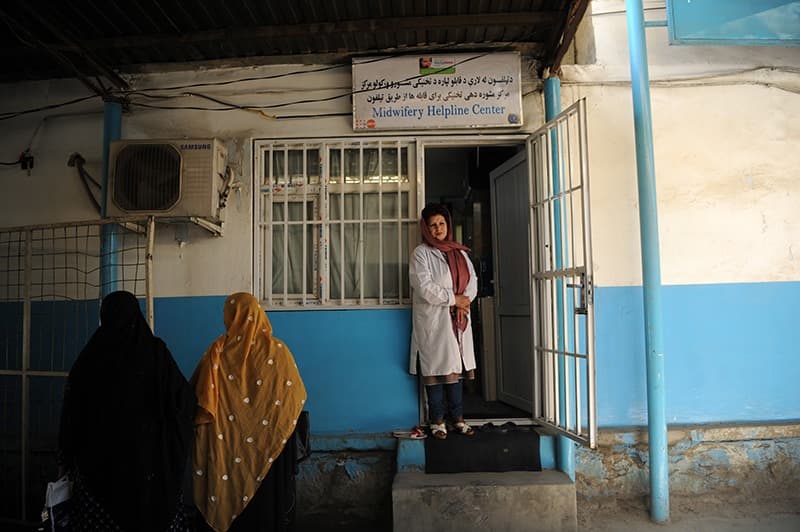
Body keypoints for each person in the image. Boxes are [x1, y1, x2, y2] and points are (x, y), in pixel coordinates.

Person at [58, 290, 196, 531]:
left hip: (100, 469)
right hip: (148, 470)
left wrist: (67, 454)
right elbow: (183, 401)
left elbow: (73, 412)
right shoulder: (155, 353)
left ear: (105, 316)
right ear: (137, 315)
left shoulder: (91, 357)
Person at [192, 292, 307, 532]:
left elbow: (197, 398)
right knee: (266, 510)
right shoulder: (278, 351)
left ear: (230, 317)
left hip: (226, 450)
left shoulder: (215, 353)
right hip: (268, 452)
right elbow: (295, 397)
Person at [409, 204, 478, 440]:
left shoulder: (460, 253)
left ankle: (457, 419)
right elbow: (424, 287)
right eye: (433, 225)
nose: (438, 229)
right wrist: (453, 299)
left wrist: (464, 300)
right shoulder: (421, 254)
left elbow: (473, 281)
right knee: (436, 370)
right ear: (426, 229)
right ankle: (437, 421)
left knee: (455, 370)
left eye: (441, 223)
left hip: (458, 319)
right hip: (435, 320)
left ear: (447, 225)